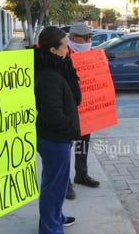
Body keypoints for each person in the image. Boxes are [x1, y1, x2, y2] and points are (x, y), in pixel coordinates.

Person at [34, 26, 82, 233]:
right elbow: (53, 115)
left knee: (57, 183)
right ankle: (50, 228)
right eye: (64, 46)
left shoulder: (55, 66)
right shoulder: (49, 76)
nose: (68, 49)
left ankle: (56, 217)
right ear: (53, 50)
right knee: (53, 186)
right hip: (54, 139)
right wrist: (72, 128)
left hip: (56, 138)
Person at [65, 22, 100, 200]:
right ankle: (65, 183)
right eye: (84, 38)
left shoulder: (93, 53)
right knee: (65, 147)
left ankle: (81, 174)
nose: (88, 41)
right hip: (67, 109)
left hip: (86, 108)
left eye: (89, 38)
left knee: (83, 144)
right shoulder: (62, 53)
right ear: (72, 38)